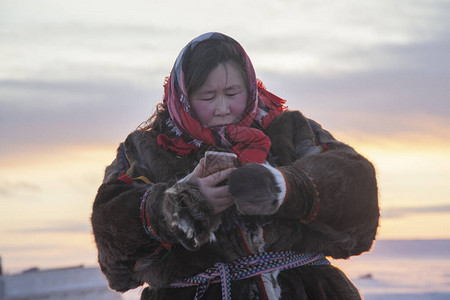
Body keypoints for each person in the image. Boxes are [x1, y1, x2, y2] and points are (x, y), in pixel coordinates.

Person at [91, 32, 379, 300]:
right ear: (184, 97)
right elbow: (114, 253)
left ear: (250, 87)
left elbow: (358, 199)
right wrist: (182, 204)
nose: (222, 107)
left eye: (232, 93)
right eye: (207, 96)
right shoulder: (147, 149)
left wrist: (286, 187)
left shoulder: (290, 131)